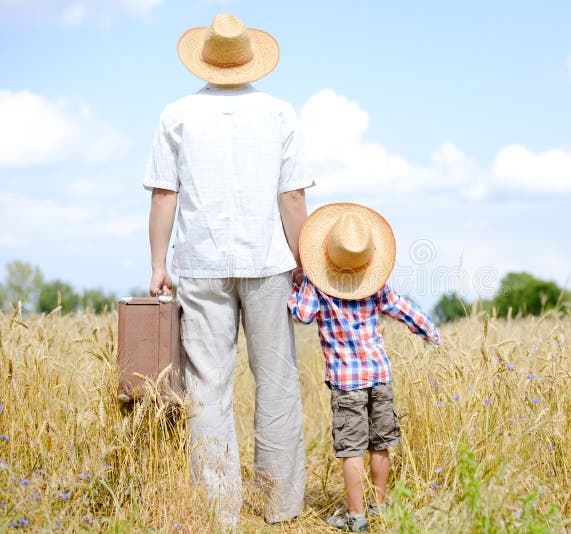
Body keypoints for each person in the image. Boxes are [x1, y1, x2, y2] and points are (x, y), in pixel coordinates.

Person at [144, 14, 312, 527]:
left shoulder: (176, 113)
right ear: (248, 59)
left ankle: (219, 514)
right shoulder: (281, 113)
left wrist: (157, 264)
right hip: (268, 262)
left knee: (208, 387)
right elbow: (292, 196)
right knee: (277, 381)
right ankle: (279, 506)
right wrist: (304, 259)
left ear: (206, 58)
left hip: (201, 262)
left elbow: (164, 194)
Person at [288, 203, 441, 532]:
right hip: (380, 375)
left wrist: (297, 283)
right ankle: (379, 508)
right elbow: (403, 309)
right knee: (380, 443)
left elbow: (300, 314)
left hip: (347, 382)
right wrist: (430, 331)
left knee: (351, 449)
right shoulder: (376, 286)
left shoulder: (318, 286)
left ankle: (356, 518)